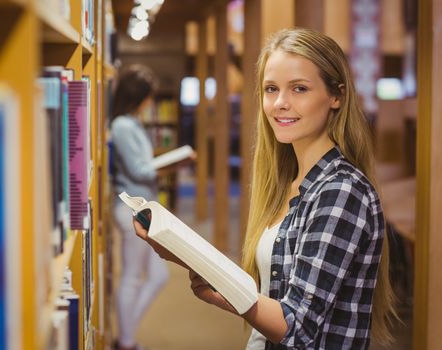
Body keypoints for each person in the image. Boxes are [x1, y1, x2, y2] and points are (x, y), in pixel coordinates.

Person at [134, 28, 396, 349]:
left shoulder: (340, 191)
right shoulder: (288, 182)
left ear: (336, 96)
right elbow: (273, 300)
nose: (280, 103)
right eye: (271, 89)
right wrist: (190, 259)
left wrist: (215, 280)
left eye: (299, 88)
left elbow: (295, 327)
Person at [109, 64, 169, 350]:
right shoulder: (122, 125)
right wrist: (165, 166)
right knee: (133, 277)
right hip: (133, 207)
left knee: (159, 276)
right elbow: (138, 169)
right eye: (147, 97)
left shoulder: (131, 123)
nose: (150, 103)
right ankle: (126, 341)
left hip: (146, 206)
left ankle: (125, 335)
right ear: (137, 96)